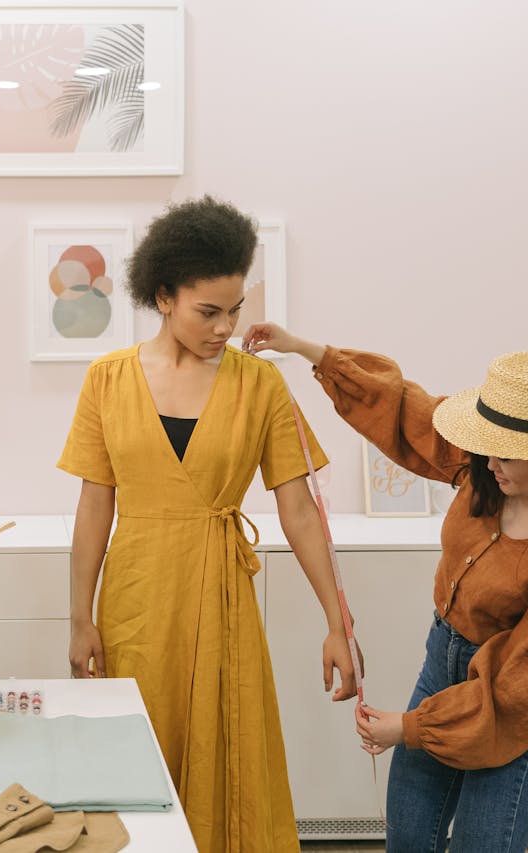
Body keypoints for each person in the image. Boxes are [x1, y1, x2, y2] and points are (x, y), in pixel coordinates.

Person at [241, 326, 528, 853]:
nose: (490, 461)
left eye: (509, 454)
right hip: (442, 665)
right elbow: (405, 410)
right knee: (408, 835)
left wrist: (409, 728)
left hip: (513, 702)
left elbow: (519, 688)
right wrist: (306, 350)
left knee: (482, 844)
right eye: (487, 447)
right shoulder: (485, 470)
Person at [58, 197, 359, 853]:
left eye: (235, 310)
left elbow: (299, 509)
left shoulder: (261, 386)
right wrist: (80, 616)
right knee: (137, 753)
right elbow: (93, 505)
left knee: (230, 751)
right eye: (208, 311)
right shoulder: (106, 380)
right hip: (135, 597)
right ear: (164, 297)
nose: (225, 327)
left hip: (221, 599)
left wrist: (338, 620)